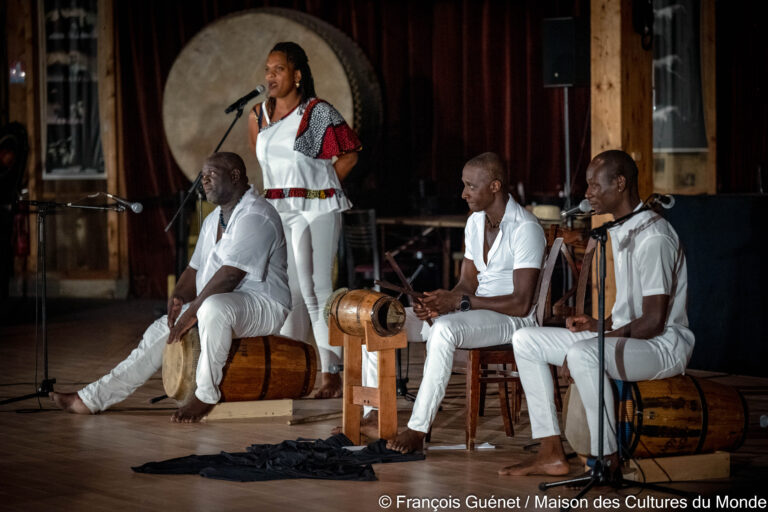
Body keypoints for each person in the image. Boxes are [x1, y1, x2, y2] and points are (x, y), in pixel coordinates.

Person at [50, 152, 291, 422]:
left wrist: (192, 312)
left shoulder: (258, 215)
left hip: (264, 305)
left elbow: (229, 276)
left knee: (213, 308)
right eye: (202, 176)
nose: (204, 181)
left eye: (211, 174)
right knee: (161, 329)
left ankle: (206, 395)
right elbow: (194, 269)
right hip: (224, 303)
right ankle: (92, 399)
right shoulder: (214, 220)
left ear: (235, 176)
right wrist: (178, 297)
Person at [499, 150, 694, 477]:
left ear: (619, 183)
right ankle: (550, 451)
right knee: (526, 339)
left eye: (593, 185)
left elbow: (653, 321)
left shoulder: (654, 237)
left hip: (663, 347)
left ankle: (607, 459)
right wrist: (597, 325)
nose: (587, 194)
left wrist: (595, 339)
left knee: (582, 353)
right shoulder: (620, 230)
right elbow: (630, 312)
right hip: (629, 340)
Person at [379, 152, 546, 453]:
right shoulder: (475, 222)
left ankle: (418, 430)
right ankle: (372, 417)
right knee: (383, 319)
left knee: (444, 330)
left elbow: (521, 304)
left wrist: (460, 303)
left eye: (470, 186)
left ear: (495, 186)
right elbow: (466, 284)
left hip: (509, 319)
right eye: (463, 185)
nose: (463, 193)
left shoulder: (526, 229)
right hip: (477, 312)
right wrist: (440, 303)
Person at [248, 41, 362, 399]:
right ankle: (295, 369)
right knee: (292, 291)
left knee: (317, 289)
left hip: (315, 209)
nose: (271, 76)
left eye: (279, 69)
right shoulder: (258, 116)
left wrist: (323, 187)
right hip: (280, 211)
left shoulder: (315, 112)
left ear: (297, 75)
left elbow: (350, 154)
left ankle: (332, 372)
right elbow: (264, 166)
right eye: (268, 69)